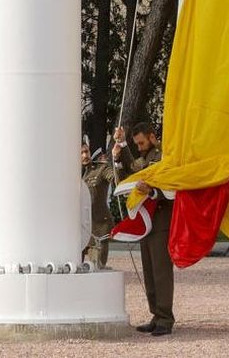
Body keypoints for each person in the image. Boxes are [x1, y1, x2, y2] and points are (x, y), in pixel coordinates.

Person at [114, 122, 174, 337]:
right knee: (149, 272)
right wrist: (122, 146)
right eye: (136, 144)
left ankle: (165, 318)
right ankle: (156, 315)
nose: (139, 147)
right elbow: (134, 169)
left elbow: (171, 187)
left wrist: (151, 192)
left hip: (161, 221)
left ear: (152, 137)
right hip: (147, 222)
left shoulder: (163, 156)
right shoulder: (146, 157)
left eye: (141, 143)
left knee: (161, 272)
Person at [82, 143, 116, 268]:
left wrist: (117, 161)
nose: (85, 155)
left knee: (97, 269)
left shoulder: (101, 169)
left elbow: (115, 178)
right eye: (81, 153)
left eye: (86, 151)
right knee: (75, 268)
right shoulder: (72, 173)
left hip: (98, 226)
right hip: (79, 228)